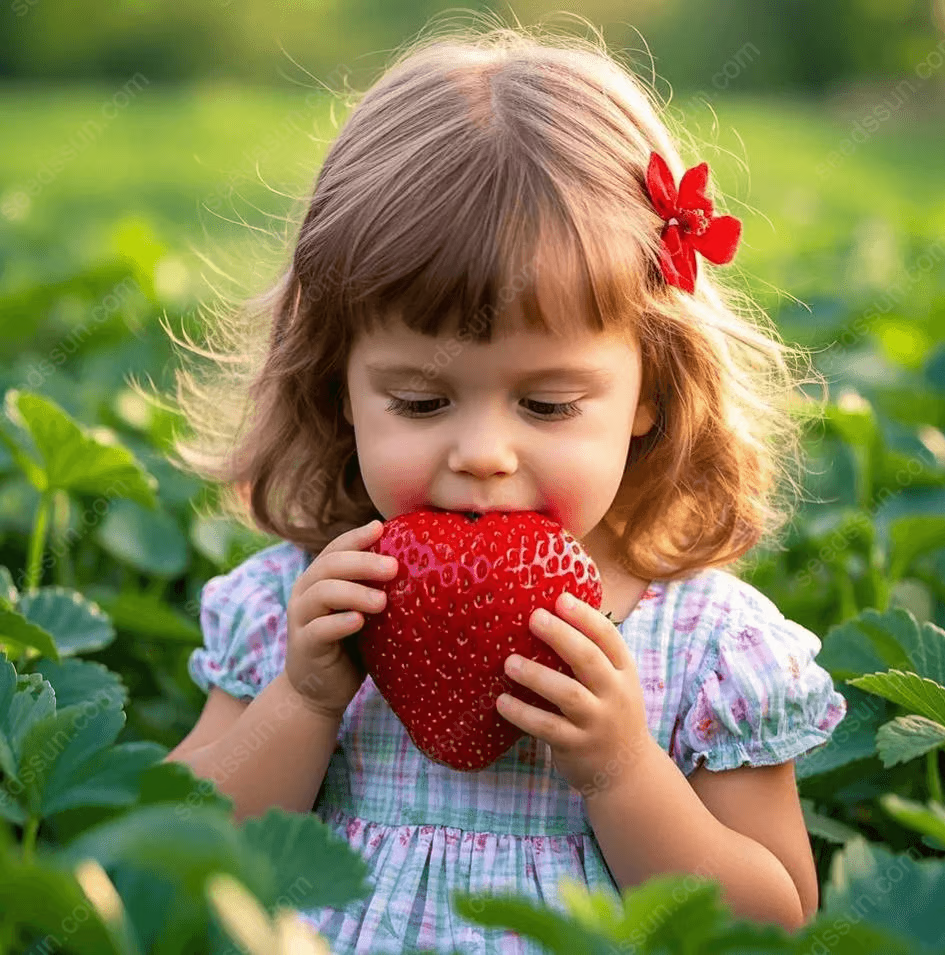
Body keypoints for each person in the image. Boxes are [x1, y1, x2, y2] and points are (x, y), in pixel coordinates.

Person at [160, 14, 848, 954]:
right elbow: (171, 857)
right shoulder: (295, 608)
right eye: (419, 399)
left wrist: (622, 772)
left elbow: (772, 917)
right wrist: (303, 701)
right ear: (342, 386)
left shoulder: (704, 650)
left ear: (648, 391)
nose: (483, 452)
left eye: (548, 405)